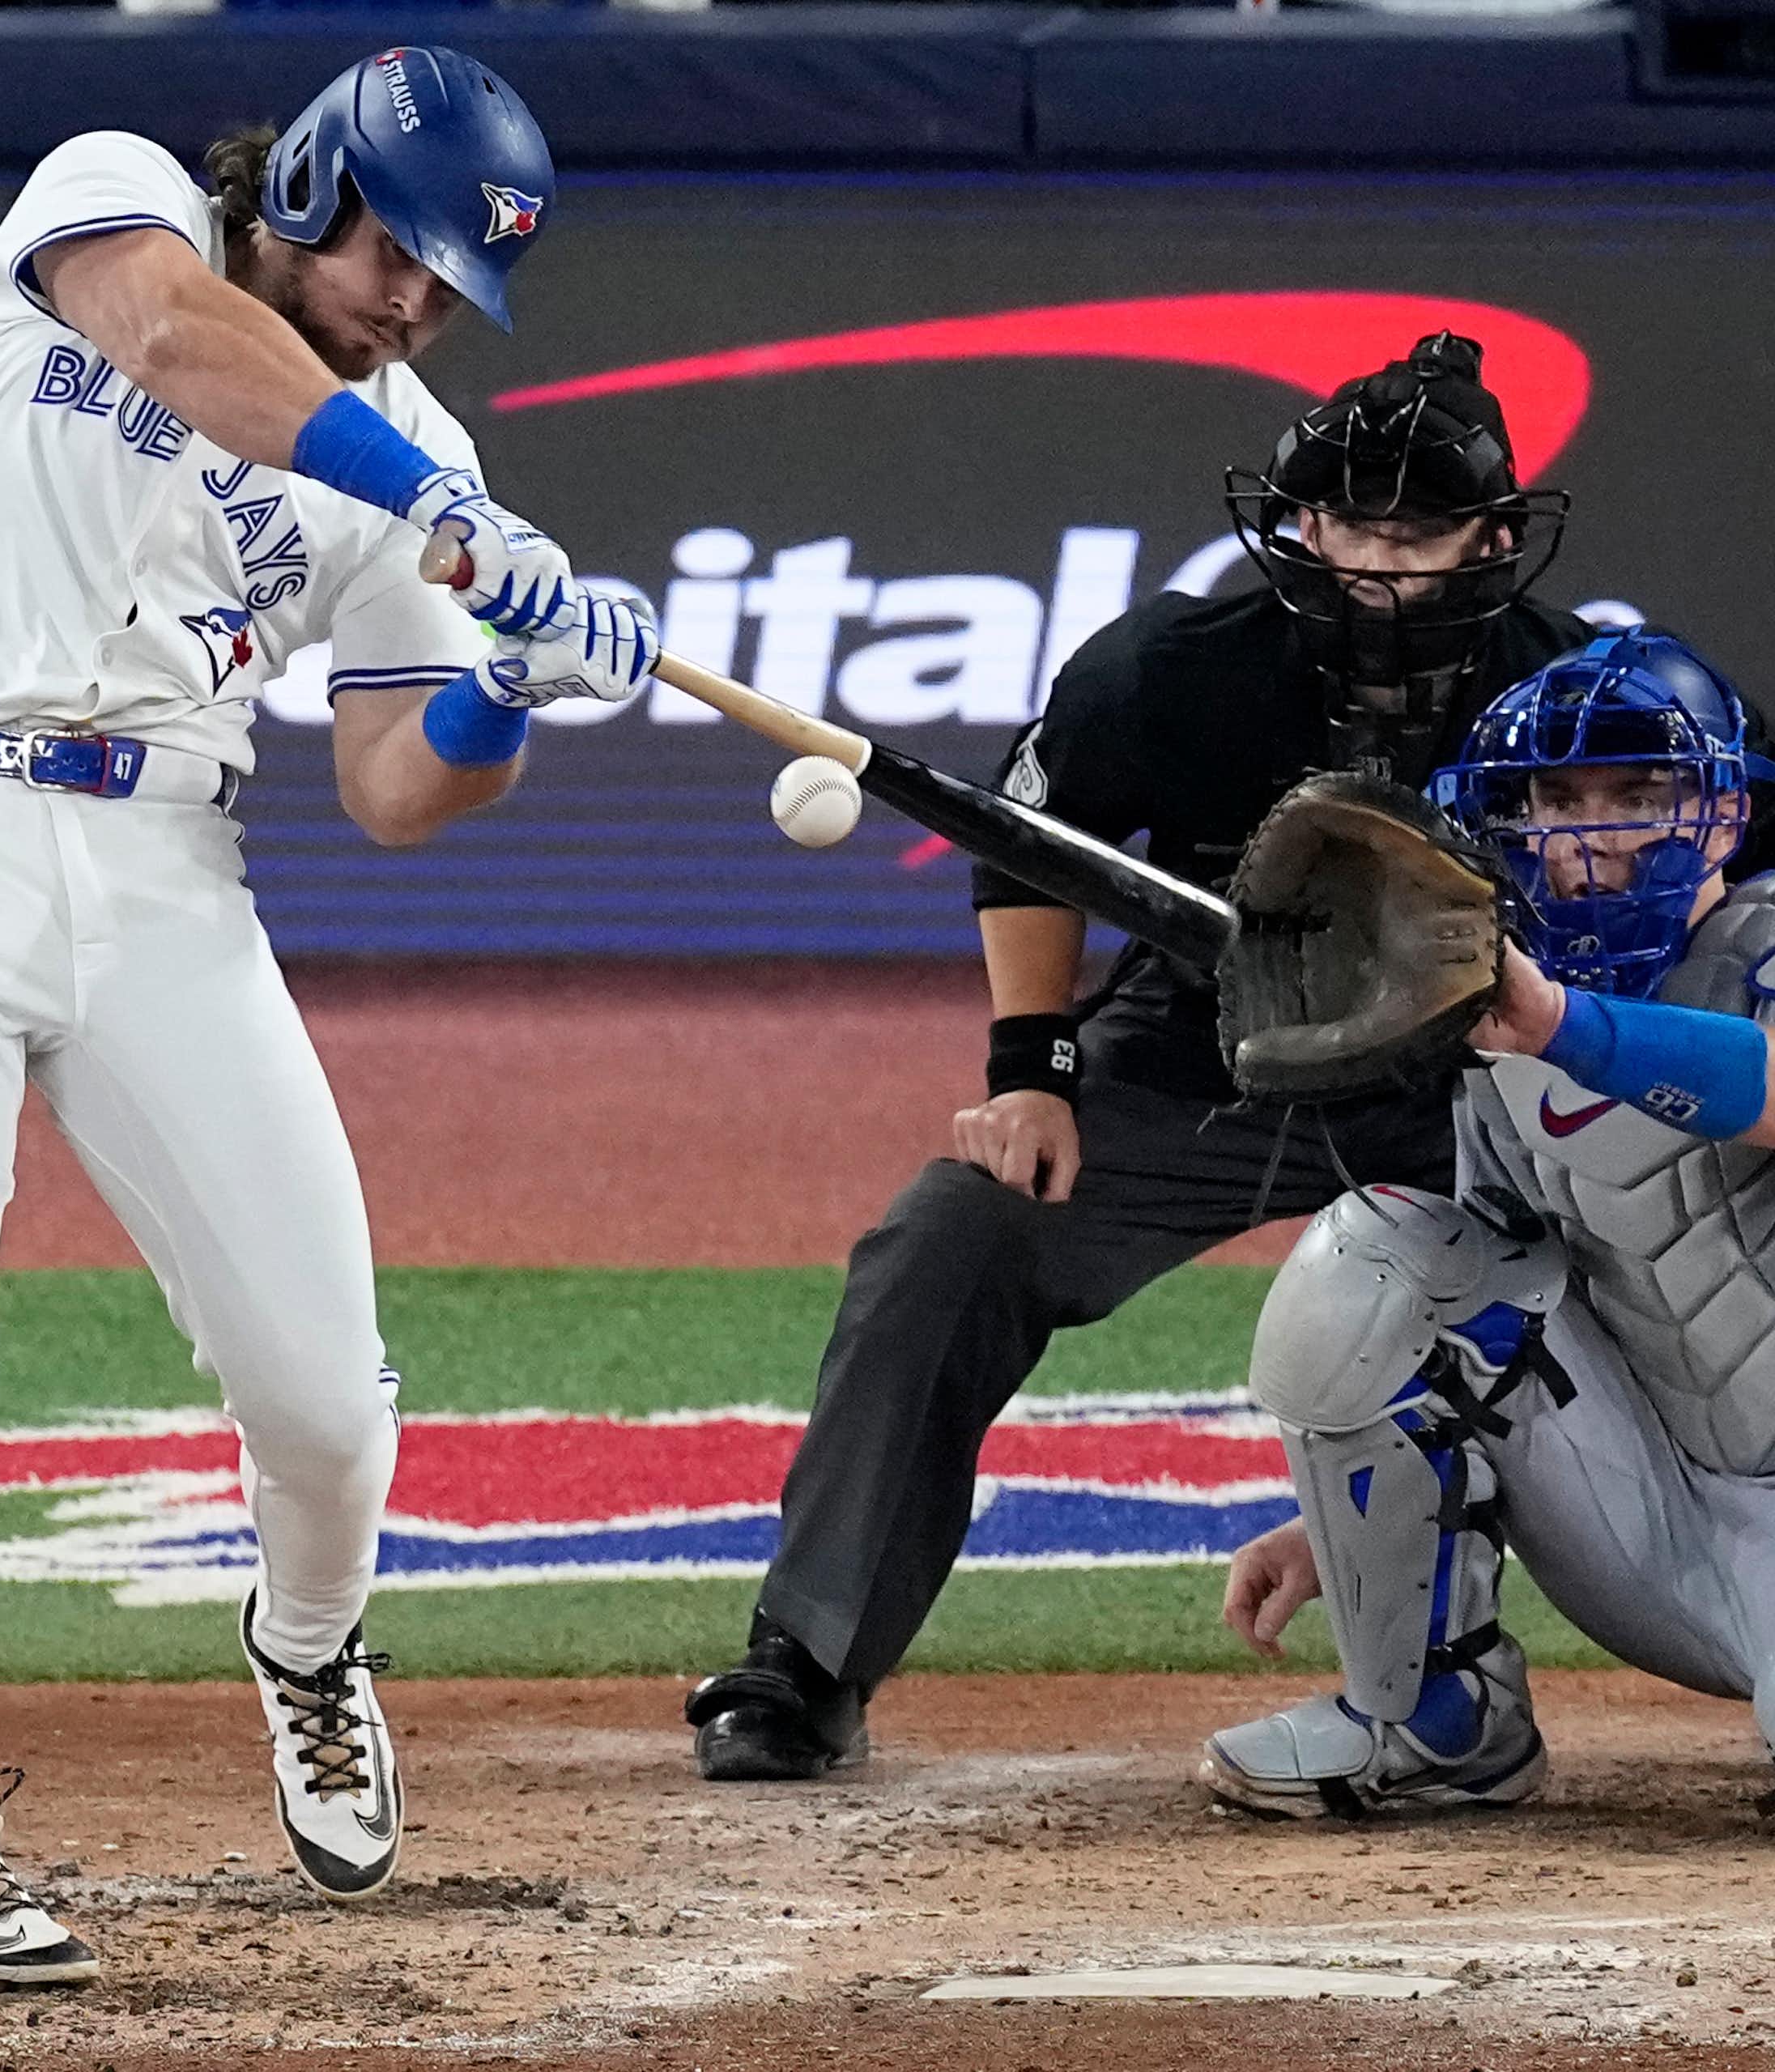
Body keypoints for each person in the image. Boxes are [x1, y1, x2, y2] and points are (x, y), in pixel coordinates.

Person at [0, 49, 655, 1985]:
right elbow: (178, 342)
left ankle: (309, 1643)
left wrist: (504, 685)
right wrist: (441, 511)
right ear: (312, 181)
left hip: (168, 874)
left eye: (451, 283)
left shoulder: (413, 450)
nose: (412, 303)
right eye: (394, 252)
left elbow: (395, 786)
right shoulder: (118, 196)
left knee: (324, 1395)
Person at [686, 332, 1591, 1782]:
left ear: (1492, 538)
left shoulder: (1581, 693)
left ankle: (1558, 1651)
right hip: (1205, 1057)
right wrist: (1032, 1073)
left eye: (1417, 533)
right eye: (1349, 525)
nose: (1376, 565)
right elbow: (1031, 846)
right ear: (1299, 526)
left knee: (1674, 1270)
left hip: (1476, 1090)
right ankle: (807, 1660)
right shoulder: (1172, 667)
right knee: (953, 1234)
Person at [1200, 629, 1775, 1814]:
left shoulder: (1746, 951)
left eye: (1637, 795)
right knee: (1382, 1257)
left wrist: (1564, 1024)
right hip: (1663, 1532)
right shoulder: (1503, 1026)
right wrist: (1353, 1534)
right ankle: (1433, 1721)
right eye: (1557, 800)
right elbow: (1478, 1306)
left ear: (1724, 815)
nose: (1590, 834)